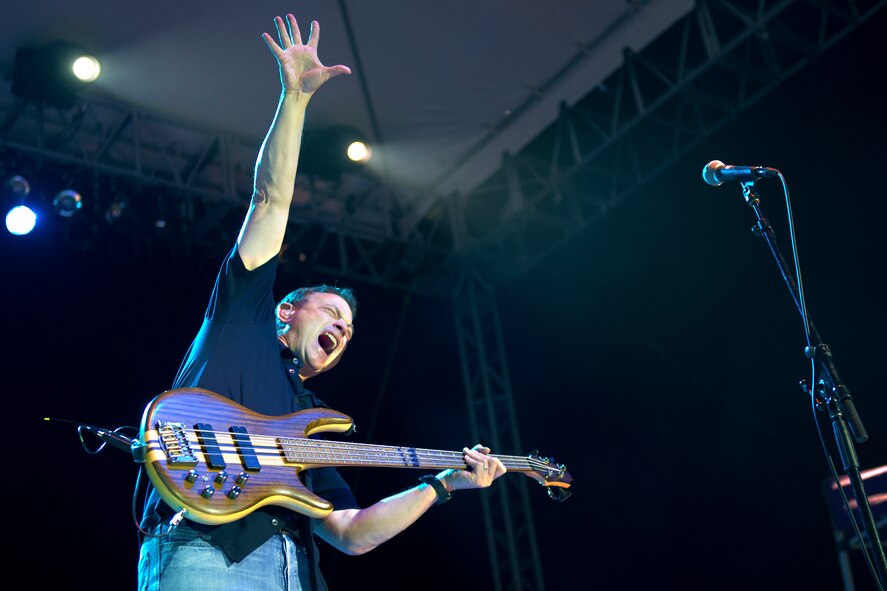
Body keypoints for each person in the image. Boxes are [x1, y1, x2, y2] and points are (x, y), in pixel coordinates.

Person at [137, 13, 506, 591]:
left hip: (296, 574)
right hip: (205, 553)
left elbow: (354, 531)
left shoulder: (309, 430)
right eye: (333, 312)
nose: (344, 328)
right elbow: (271, 199)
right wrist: (296, 98)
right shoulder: (242, 323)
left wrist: (444, 484)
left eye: (351, 327)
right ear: (287, 311)